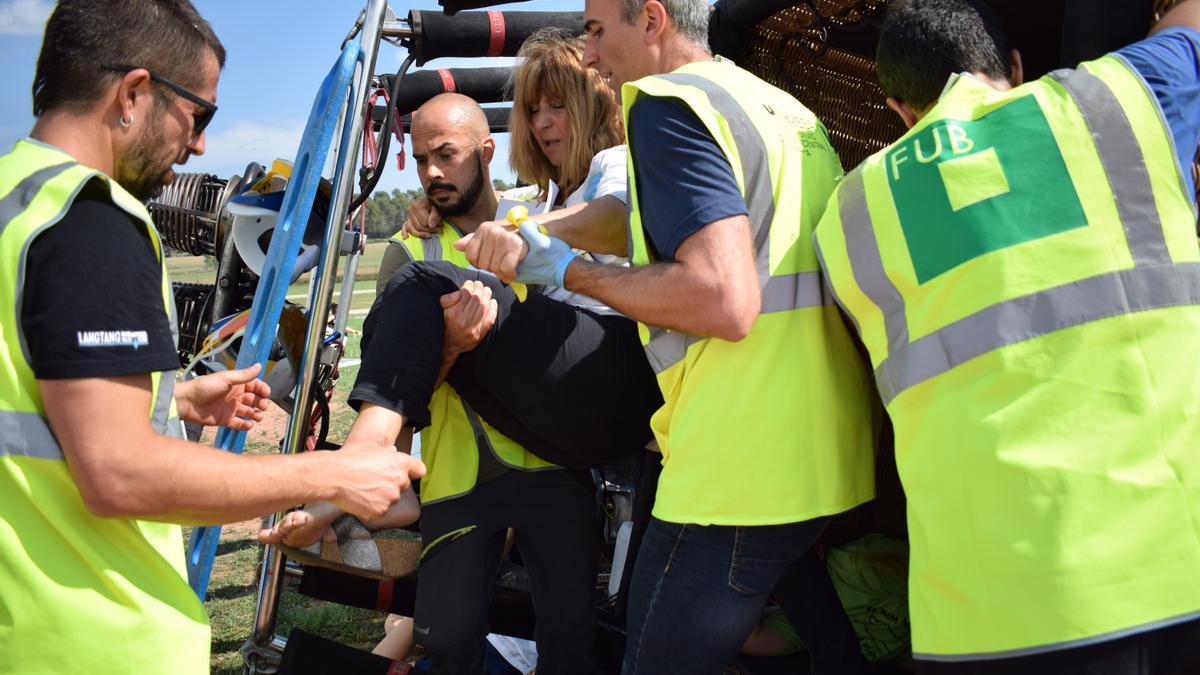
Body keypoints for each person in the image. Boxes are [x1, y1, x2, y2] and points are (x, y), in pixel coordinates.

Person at [0, 2, 424, 672]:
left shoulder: (16, 202)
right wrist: (334, 473)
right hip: (99, 640)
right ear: (133, 94)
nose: (200, 145)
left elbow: (28, 396)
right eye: (200, 115)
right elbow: (119, 472)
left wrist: (177, 400)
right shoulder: (92, 224)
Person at [456, 1, 878, 672]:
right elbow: (644, 217)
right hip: (821, 450)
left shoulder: (667, 103)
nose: (588, 56)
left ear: (651, 19)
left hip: (735, 465)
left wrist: (569, 272)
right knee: (830, 646)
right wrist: (550, 232)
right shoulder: (778, 109)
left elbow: (721, 296)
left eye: (596, 32)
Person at [811, 0, 1200, 672]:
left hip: (981, 619)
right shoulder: (1114, 100)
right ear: (1016, 67)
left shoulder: (849, 214)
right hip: (1172, 571)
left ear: (900, 110)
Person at [262, 29, 643, 671]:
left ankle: (350, 473)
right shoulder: (407, 252)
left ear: (487, 152)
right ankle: (359, 473)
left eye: (447, 155)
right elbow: (404, 377)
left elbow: (606, 218)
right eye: (420, 159)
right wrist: (454, 346)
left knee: (571, 642)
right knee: (447, 641)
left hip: (550, 458)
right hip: (459, 475)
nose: (433, 172)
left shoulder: (535, 212)